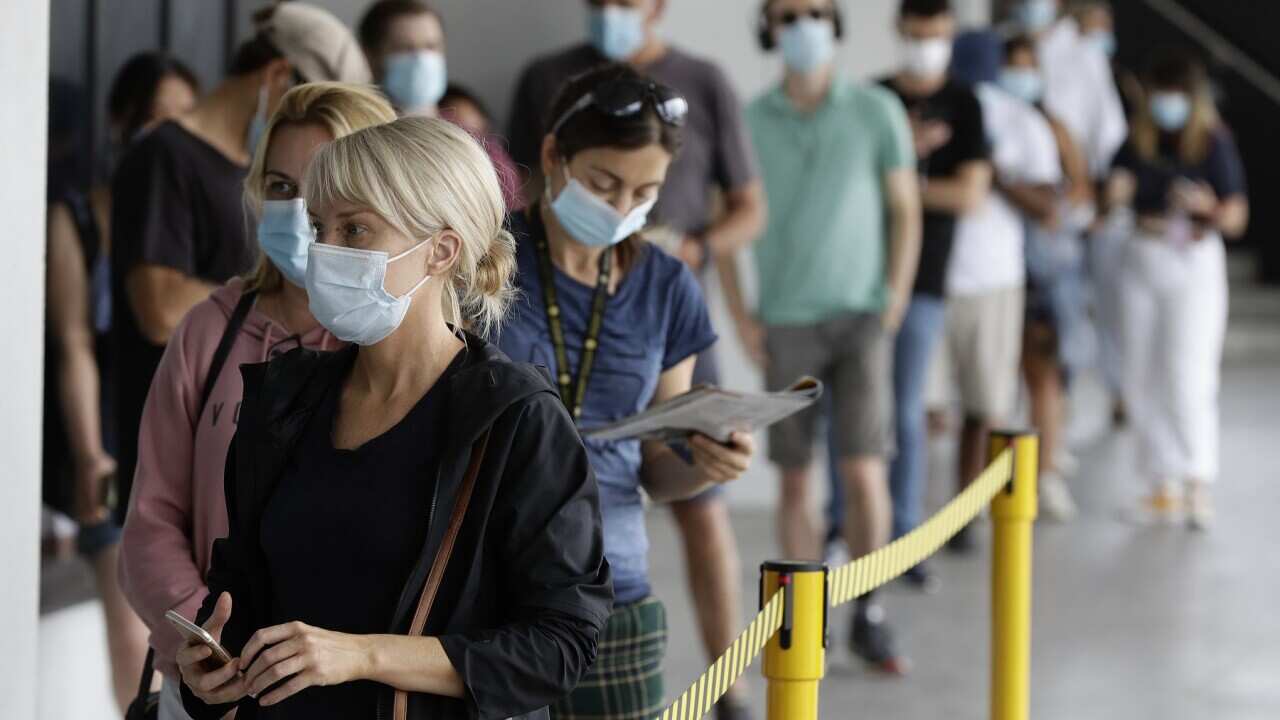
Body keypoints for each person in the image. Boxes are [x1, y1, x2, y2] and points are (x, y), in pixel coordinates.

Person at [176, 116, 612, 719]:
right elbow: (241, 587)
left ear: (441, 249)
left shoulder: (515, 419)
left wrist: (362, 657)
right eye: (319, 227)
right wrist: (211, 664)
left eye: (355, 228)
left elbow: (559, 646)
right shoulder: (283, 399)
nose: (325, 251)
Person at [507, 2, 765, 712]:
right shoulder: (486, 263)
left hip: (614, 590)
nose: (622, 207)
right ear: (554, 156)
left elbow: (657, 467)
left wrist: (703, 460)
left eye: (644, 194)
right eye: (602, 184)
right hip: (487, 593)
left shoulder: (665, 285)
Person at [120, 82, 398, 720]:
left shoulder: (394, 343)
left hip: (347, 693)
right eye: (280, 187)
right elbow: (151, 520)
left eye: (323, 190)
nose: (299, 211)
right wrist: (206, 643)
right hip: (208, 691)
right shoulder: (208, 330)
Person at [110, 2, 372, 524]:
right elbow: (159, 309)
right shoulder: (166, 156)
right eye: (308, 98)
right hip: (180, 443)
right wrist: (259, 290)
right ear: (278, 75)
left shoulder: (242, 165)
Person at [737, 0, 920, 671]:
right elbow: (731, 226)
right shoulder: (751, 120)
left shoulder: (876, 111)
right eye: (788, 15)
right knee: (793, 479)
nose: (803, 24)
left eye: (816, 11)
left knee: (864, 470)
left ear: (835, 23)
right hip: (786, 318)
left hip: (862, 316)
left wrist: (894, 302)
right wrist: (741, 314)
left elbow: (905, 209)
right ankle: (801, 614)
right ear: (769, 29)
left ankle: (868, 609)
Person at [43, 79, 154, 715]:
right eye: (152, 116)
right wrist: (90, 452)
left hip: (185, 438)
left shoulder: (194, 218)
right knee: (129, 634)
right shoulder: (79, 217)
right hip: (113, 439)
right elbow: (74, 343)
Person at [1106, 50, 1248, 530]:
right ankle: (1158, 482)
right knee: (1142, 373)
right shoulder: (1138, 138)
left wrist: (1208, 207)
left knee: (1188, 374)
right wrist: (1115, 193)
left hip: (1192, 259)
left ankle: (1196, 480)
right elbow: (1111, 189)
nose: (1167, 104)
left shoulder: (1212, 141)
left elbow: (1235, 216)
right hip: (1143, 254)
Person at [878, 0, 991, 555]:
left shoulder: (964, 103)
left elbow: (969, 193)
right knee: (855, 413)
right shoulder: (876, 97)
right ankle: (848, 523)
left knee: (907, 408)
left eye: (937, 36)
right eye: (918, 34)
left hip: (925, 279)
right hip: (863, 278)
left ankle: (903, 528)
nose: (926, 45)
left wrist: (897, 182)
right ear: (901, 30)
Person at [999, 35, 1096, 519]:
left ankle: (1047, 473)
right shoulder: (991, 120)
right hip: (997, 267)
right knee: (1001, 381)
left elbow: (1073, 195)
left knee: (1044, 376)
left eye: (1026, 67)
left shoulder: (1053, 127)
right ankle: (999, 477)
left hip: (1046, 272)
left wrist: (1015, 188)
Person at [357, 0, 521, 208]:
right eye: (404, 48)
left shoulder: (476, 146)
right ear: (370, 56)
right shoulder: (353, 141)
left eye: (431, 46)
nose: (421, 59)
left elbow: (513, 222)